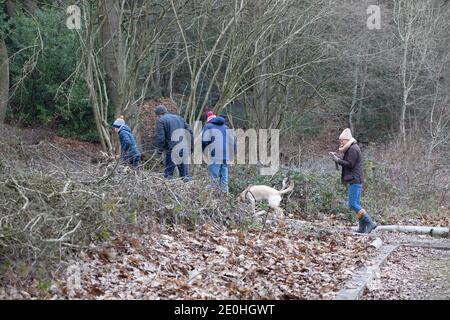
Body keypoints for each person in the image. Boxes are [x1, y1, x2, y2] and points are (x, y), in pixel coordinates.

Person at [330, 128, 377, 234]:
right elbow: (348, 161)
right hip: (355, 179)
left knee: (353, 204)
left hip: (355, 179)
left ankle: (370, 223)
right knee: (356, 204)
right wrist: (337, 158)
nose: (341, 142)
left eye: (342, 140)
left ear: (347, 140)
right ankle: (362, 227)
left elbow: (350, 164)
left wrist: (338, 160)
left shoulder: (353, 149)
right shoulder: (351, 148)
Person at [154, 105, 193, 180]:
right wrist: (191, 147)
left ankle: (167, 191)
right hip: (184, 148)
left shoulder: (161, 120)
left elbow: (161, 137)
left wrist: (159, 151)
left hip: (172, 150)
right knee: (185, 176)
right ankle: (188, 191)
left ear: (158, 115)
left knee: (168, 175)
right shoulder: (180, 118)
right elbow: (190, 132)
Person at [202, 115, 236, 193]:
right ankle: (225, 197)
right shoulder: (227, 127)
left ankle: (213, 198)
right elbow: (233, 142)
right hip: (226, 156)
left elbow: (204, 141)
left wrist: (205, 151)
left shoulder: (208, 126)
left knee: (214, 178)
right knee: (224, 179)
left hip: (215, 154)